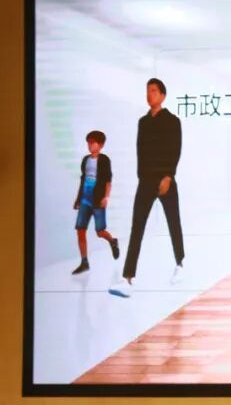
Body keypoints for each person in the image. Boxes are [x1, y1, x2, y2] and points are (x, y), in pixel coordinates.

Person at [110, 77, 184, 298]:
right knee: (137, 227)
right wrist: (142, 177)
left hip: (165, 179)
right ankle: (127, 278)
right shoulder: (143, 122)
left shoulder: (172, 121)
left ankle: (180, 264)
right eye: (147, 91)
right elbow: (140, 151)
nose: (149, 95)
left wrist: (169, 176)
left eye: (153, 91)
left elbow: (175, 149)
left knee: (173, 222)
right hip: (146, 181)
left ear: (162, 95)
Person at [70, 130, 120, 275]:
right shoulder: (85, 160)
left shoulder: (104, 160)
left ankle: (112, 241)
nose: (90, 145)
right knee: (80, 230)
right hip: (85, 199)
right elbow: (83, 179)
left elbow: (108, 180)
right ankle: (84, 261)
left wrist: (106, 197)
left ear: (101, 144)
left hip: (97, 199)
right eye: (89, 142)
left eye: (93, 142)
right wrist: (78, 199)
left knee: (100, 231)